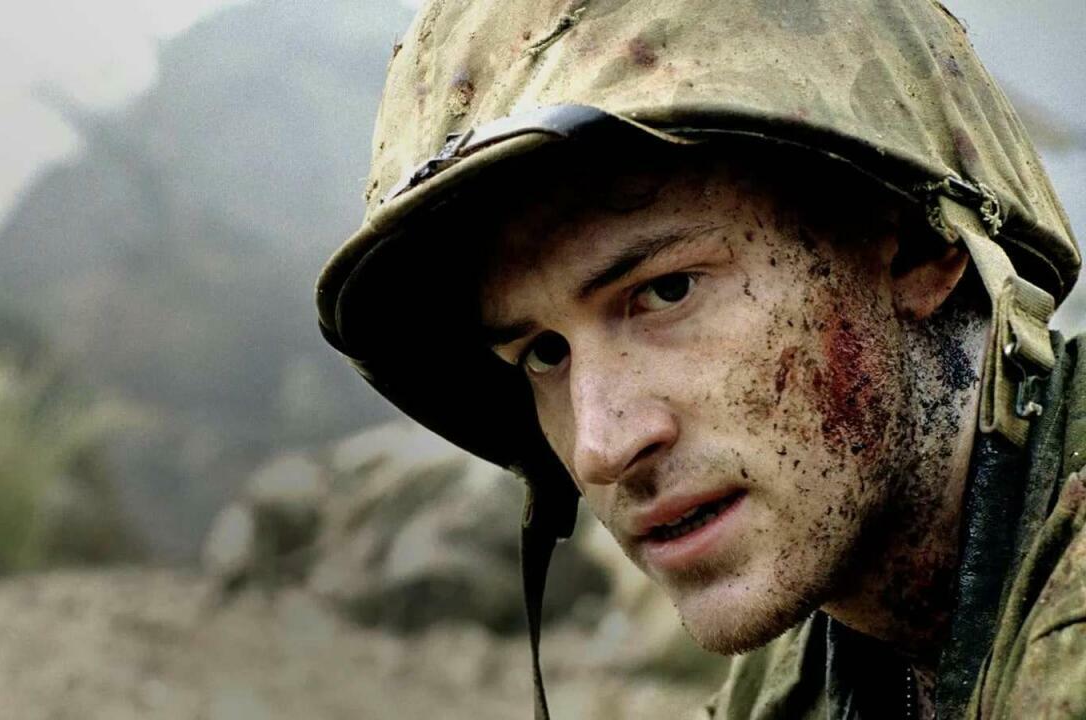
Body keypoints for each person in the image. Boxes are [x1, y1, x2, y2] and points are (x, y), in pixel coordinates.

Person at [315, 1, 1083, 718]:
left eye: (666, 291)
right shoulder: (814, 662)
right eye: (545, 353)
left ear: (917, 245)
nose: (601, 447)